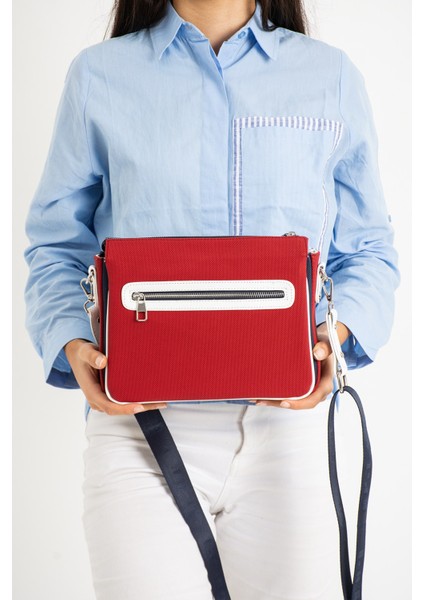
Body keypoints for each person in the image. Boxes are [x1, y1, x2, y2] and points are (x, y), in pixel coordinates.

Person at [23, 0, 400, 598]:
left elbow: (370, 249)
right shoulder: (98, 76)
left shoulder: (329, 76)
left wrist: (339, 335)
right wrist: (71, 340)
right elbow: (55, 245)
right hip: (139, 429)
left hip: (291, 426)